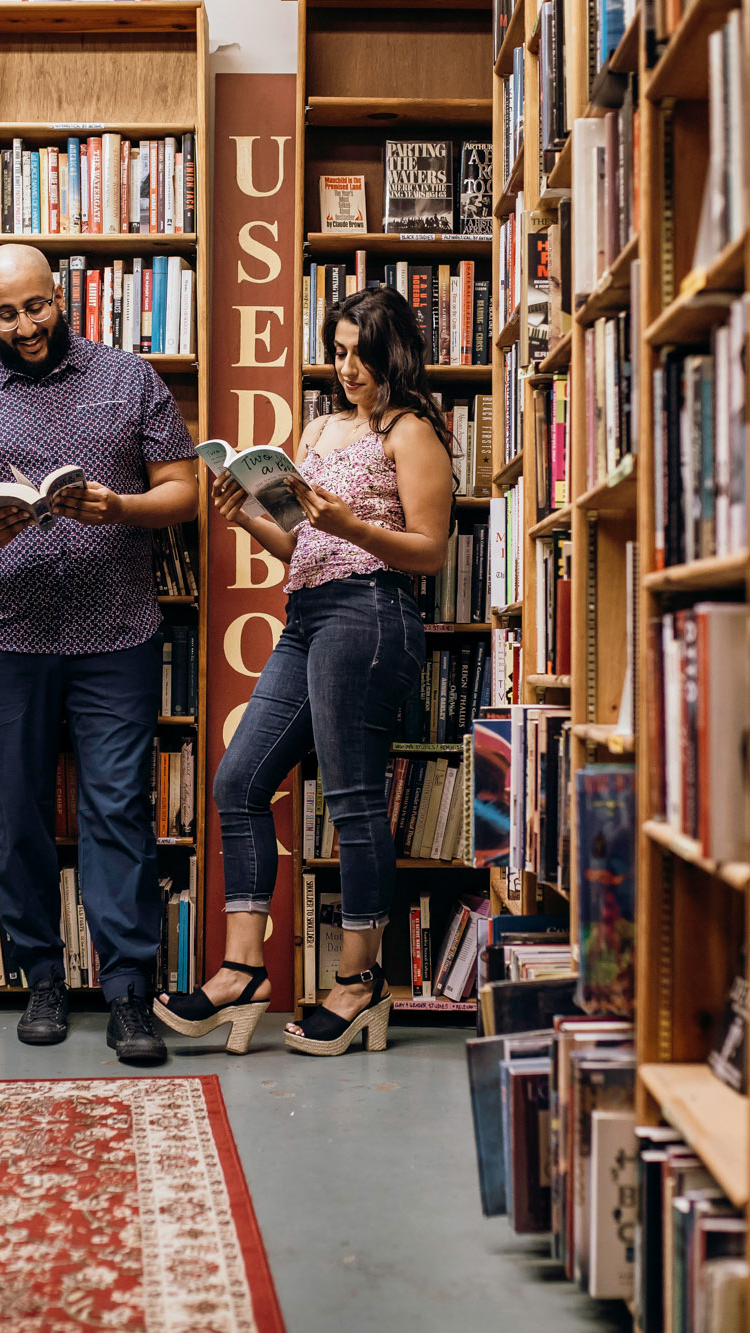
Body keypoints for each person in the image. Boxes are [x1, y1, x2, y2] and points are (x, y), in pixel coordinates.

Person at [0, 243, 198, 1065]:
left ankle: (128, 993)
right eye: (7, 313)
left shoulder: (127, 378)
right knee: (21, 814)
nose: (27, 325)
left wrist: (123, 507)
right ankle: (40, 975)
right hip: (5, 638)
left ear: (58, 297)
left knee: (119, 811)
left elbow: (180, 489)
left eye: (37, 306)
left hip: (118, 634)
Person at [156, 284, 455, 1057]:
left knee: (352, 799)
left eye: (360, 351)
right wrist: (250, 516)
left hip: (373, 613)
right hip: (309, 610)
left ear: (393, 351)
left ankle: (359, 982)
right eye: (337, 349)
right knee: (238, 781)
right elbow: (304, 547)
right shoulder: (319, 427)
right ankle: (242, 971)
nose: (345, 364)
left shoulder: (411, 430)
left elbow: (431, 551)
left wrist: (353, 523)